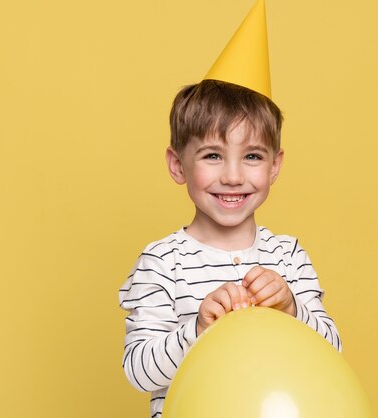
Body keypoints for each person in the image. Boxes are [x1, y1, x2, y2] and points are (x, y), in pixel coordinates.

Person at [118, 3, 340, 417]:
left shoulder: (289, 257)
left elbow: (332, 351)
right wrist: (198, 329)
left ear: (275, 166)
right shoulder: (162, 263)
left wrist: (292, 308)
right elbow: (139, 371)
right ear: (176, 165)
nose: (234, 176)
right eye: (213, 156)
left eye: (253, 156)